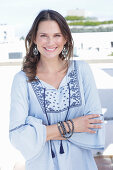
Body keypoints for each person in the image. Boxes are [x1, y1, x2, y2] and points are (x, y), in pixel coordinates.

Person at [9, 9, 105, 170]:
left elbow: (95, 128)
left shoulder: (82, 71)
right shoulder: (22, 80)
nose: (50, 42)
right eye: (44, 35)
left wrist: (40, 132)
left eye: (57, 35)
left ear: (66, 38)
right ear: (34, 38)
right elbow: (18, 137)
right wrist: (74, 125)